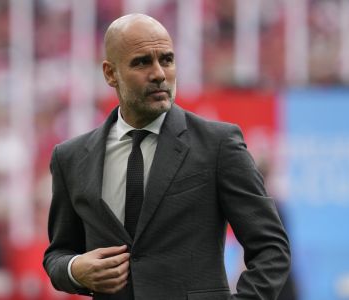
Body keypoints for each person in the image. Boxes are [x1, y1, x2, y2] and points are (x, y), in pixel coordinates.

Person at [43, 13, 290, 300]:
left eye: (167, 59)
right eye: (142, 62)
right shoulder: (71, 158)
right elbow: (58, 254)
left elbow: (272, 249)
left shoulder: (218, 143)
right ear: (110, 73)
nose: (159, 73)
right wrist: (74, 269)